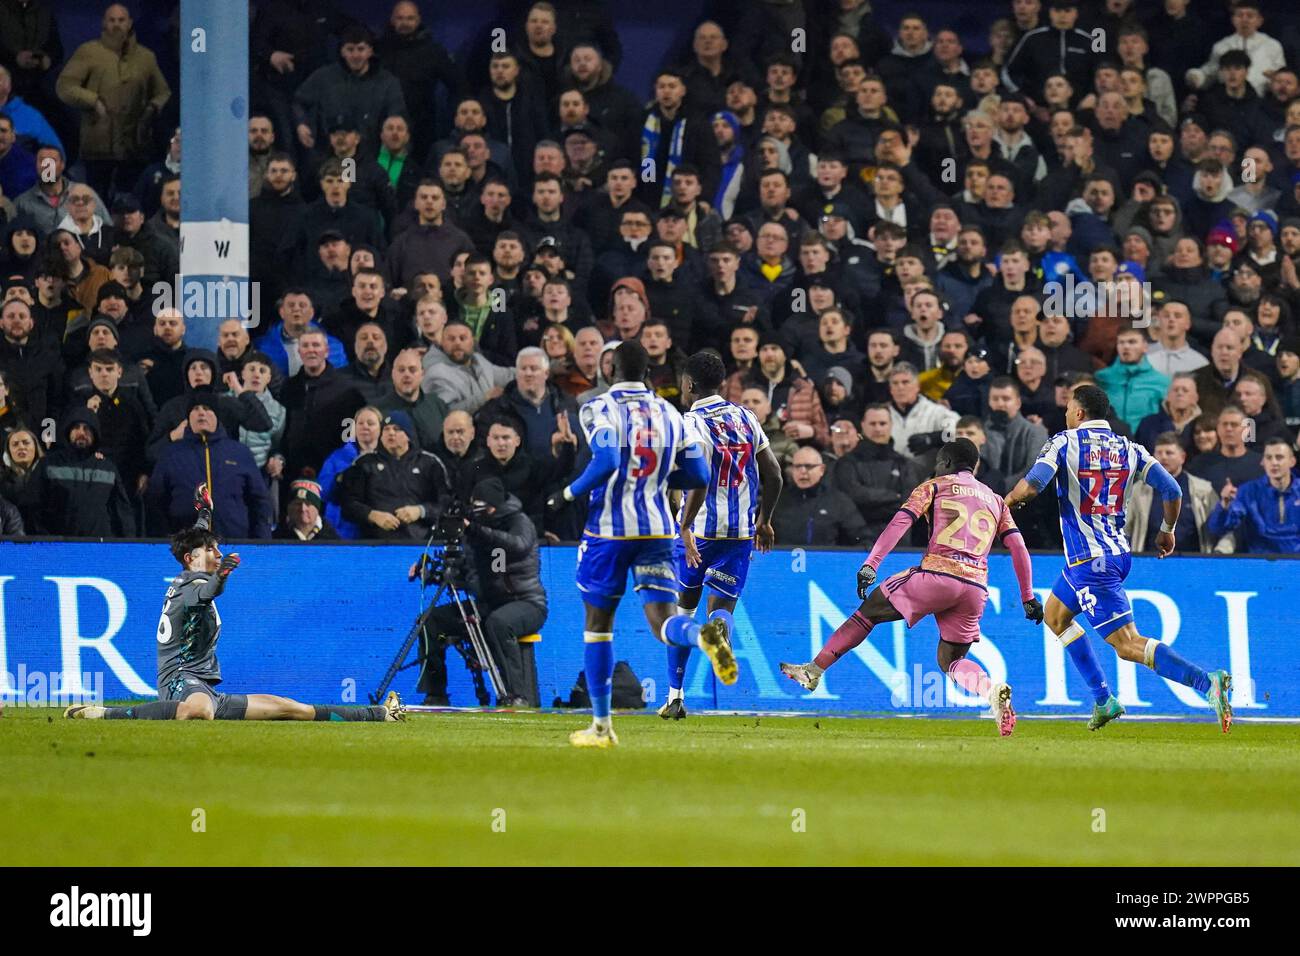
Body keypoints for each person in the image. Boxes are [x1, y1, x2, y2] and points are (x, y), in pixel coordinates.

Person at [67, 484, 404, 723]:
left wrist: (204, 511)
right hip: (180, 682)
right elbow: (207, 592)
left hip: (203, 687)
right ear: (191, 558)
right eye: (210, 551)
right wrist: (223, 576)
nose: (216, 553)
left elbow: (200, 543)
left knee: (289, 708)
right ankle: (104, 713)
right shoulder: (194, 584)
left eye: (217, 550)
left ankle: (379, 714)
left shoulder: (188, 572)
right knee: (197, 711)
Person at [1004, 384, 1234, 733]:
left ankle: (1206, 682)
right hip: (1111, 555)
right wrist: (1166, 529)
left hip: (1091, 562)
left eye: (1068, 408)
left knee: (1127, 645)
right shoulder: (1130, 448)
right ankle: (1103, 700)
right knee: (1055, 615)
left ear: (1079, 413)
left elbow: (1033, 485)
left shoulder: (1064, 442)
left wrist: (1001, 507)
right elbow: (1172, 489)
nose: (1066, 414)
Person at [781, 438, 1042, 738]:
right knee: (952, 661)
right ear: (975, 466)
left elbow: (899, 522)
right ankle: (990, 690)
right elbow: (1019, 547)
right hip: (975, 588)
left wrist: (872, 564)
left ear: (944, 463)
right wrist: (1028, 596)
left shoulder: (934, 485)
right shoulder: (996, 500)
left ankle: (813, 672)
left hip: (936, 574)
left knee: (868, 613)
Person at [542, 341, 716, 748]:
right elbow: (699, 474)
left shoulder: (597, 407)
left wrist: (565, 495)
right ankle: (701, 636)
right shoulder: (672, 414)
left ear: (612, 369)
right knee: (662, 622)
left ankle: (602, 728)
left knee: (598, 627)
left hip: (609, 531)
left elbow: (606, 462)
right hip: (657, 530)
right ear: (648, 374)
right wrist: (655, 482)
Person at [661, 351, 784, 720]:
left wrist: (684, 526)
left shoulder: (691, 422)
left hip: (698, 534)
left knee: (682, 612)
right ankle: (717, 632)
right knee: (721, 611)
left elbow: (697, 476)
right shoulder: (746, 416)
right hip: (740, 535)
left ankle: (674, 696)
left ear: (689, 384)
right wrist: (765, 520)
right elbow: (775, 474)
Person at [408, 477, 548, 708]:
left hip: (526, 603)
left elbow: (517, 546)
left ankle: (516, 695)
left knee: (499, 623)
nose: (480, 513)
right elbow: (469, 571)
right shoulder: (475, 532)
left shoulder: (518, 521)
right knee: (430, 622)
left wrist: (475, 529)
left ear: (496, 506)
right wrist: (434, 572)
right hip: (487, 603)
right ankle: (436, 693)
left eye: (484, 508)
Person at [148, 393, 273, 540]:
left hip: (235, 544)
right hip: (186, 548)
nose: (201, 412)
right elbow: (155, 502)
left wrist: (261, 542)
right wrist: (166, 541)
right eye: (195, 409)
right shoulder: (170, 453)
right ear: (188, 419)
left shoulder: (240, 452)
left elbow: (259, 501)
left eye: (207, 408)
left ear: (217, 416)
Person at [336, 410, 451, 541]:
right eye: (386, 429)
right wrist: (372, 515)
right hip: (376, 544)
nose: (391, 433)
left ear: (408, 434)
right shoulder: (364, 463)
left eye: (397, 429)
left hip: (422, 543)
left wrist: (421, 511)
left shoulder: (429, 463)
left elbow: (446, 504)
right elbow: (348, 504)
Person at [29, 406, 135, 537]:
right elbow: (32, 507)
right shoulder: (48, 464)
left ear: (95, 434)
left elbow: (123, 511)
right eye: (76, 427)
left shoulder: (107, 468)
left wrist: (127, 545)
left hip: (99, 549)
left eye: (87, 428)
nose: (81, 432)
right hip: (57, 549)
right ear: (68, 431)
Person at [1126, 432, 1219, 554]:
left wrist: (1219, 554)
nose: (1163, 457)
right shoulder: (1138, 490)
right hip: (1149, 561)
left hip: (1194, 561)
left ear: (1183, 457)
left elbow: (1218, 526)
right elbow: (1125, 528)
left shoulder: (1203, 490)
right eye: (1159, 453)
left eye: (1169, 453)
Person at [1206, 438, 1300, 554]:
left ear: (1292, 461)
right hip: (1259, 563)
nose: (1274, 463)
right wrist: (1224, 505)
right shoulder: (1248, 491)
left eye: (1279, 457)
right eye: (1269, 458)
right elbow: (1217, 529)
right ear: (1263, 462)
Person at [770, 446, 867, 546]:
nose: (803, 471)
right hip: (782, 560)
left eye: (809, 466)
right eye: (797, 466)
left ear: (822, 469)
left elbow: (862, 537)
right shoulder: (776, 500)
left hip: (825, 560)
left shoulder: (839, 502)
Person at [273, 477, 341, 541]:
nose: (303, 509)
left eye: (308, 504)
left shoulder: (333, 540)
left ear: (317, 509)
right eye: (298, 504)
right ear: (289, 508)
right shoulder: (275, 538)